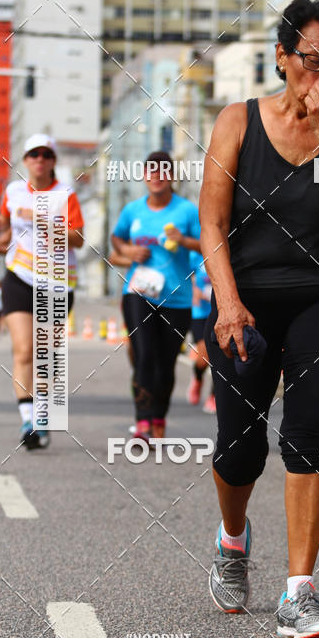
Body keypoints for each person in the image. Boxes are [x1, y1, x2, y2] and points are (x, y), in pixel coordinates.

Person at [199, 0, 319, 638]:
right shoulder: (237, 121)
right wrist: (227, 301)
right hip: (243, 297)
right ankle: (233, 540)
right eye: (312, 59)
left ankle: (299, 591)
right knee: (240, 449)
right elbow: (212, 220)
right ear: (282, 57)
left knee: (307, 435)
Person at [0, 134, 84, 449]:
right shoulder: (13, 191)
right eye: (33, 154)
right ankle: (29, 420)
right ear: (26, 160)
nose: (39, 160)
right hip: (18, 277)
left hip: (57, 281)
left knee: (47, 356)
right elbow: (3, 225)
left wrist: (42, 220)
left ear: (53, 160)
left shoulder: (64, 195)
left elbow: (78, 239)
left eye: (45, 154)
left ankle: (43, 417)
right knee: (24, 350)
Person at [111, 150, 201, 444]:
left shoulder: (186, 211)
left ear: (171, 176)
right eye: (151, 171)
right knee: (144, 355)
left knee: (165, 362)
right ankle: (142, 422)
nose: (157, 177)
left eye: (163, 171)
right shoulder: (132, 210)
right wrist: (127, 251)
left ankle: (159, 415)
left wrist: (183, 240)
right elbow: (117, 238)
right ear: (144, 176)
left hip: (177, 298)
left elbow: (205, 244)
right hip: (138, 293)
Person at [187, 250, 215, 414]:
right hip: (200, 313)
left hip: (221, 312)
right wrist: (194, 290)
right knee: (203, 357)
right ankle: (198, 377)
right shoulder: (196, 255)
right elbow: (183, 274)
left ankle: (214, 396)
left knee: (221, 355)